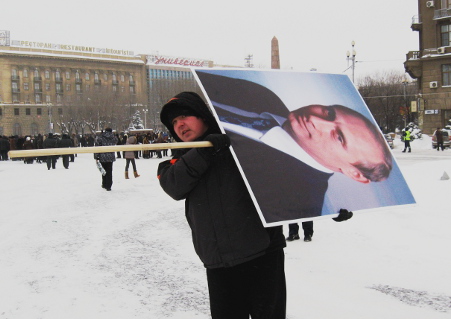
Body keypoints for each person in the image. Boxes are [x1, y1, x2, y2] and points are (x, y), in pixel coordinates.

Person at [196, 72, 393, 223]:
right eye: (329, 112)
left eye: (339, 138)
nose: (316, 120)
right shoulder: (263, 96)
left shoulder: (297, 203)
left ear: (355, 173)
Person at [157, 92, 287, 319]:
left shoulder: (239, 144)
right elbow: (174, 186)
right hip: (219, 263)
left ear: (204, 117)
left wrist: (330, 208)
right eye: (174, 122)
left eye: (185, 116)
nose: (180, 124)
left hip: (262, 254)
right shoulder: (177, 160)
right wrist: (204, 151)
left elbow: (286, 180)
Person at [287, 209, 354, 242]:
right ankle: (293, 233)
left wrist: (335, 213)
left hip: (306, 192)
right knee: (292, 213)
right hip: (291, 192)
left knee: (307, 213)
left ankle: (308, 234)